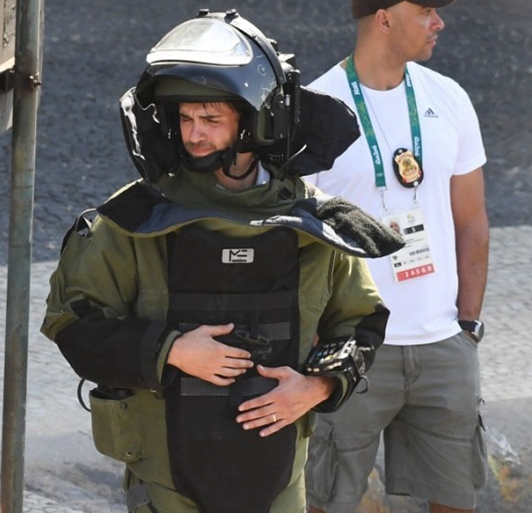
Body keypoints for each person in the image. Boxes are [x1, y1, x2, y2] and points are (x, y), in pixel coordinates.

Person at [41, 9, 405, 513]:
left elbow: (361, 321)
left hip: (278, 479)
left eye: (211, 120)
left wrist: (317, 386)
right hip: (166, 474)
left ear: (257, 123)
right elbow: (72, 323)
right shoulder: (134, 221)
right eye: (185, 119)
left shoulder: (311, 223)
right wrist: (171, 351)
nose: (194, 135)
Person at [303, 1, 489, 513]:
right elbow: (293, 238)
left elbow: (471, 221)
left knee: (455, 501)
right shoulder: (315, 109)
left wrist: (468, 325)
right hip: (351, 352)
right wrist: (318, 341)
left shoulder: (447, 97)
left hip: (443, 345)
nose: (440, 22)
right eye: (426, 9)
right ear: (384, 18)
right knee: (324, 501)